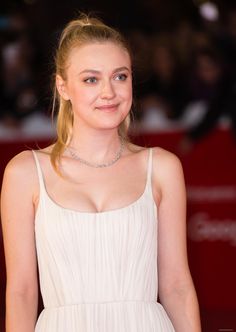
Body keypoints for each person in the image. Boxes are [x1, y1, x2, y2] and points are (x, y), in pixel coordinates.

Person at [1, 13, 201, 332]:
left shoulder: (162, 168)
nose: (109, 92)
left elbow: (177, 286)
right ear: (63, 86)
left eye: (120, 76)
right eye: (91, 79)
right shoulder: (25, 173)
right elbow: (22, 293)